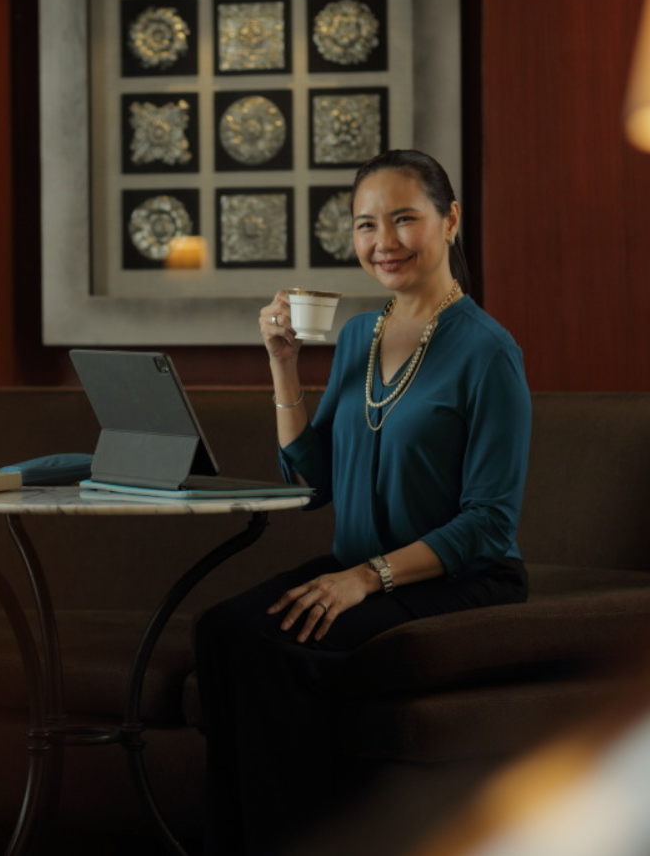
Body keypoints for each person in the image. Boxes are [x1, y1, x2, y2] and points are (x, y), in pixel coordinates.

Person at [194, 149, 532, 856]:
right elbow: (311, 486)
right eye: (365, 224)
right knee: (220, 630)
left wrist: (364, 579)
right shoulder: (357, 336)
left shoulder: (488, 351)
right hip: (362, 567)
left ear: (451, 222)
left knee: (277, 648)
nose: (384, 243)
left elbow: (489, 521)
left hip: (459, 579)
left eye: (405, 219)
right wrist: (284, 364)